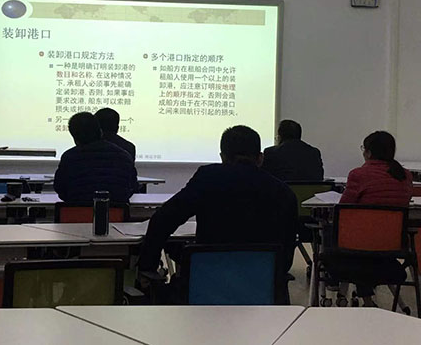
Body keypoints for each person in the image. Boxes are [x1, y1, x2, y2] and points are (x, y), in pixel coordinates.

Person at [138, 125, 298, 302]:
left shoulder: (208, 178)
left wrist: (147, 267)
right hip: (264, 296)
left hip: (205, 291)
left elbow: (163, 220)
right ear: (260, 158)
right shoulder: (284, 193)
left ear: (222, 157)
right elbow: (286, 257)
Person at [333, 131, 413, 307]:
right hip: (392, 246)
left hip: (358, 247)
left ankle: (335, 284)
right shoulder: (405, 175)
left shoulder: (358, 175)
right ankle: (367, 299)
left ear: (368, 152)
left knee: (330, 232)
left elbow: (344, 209)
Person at [54, 112, 137, 203]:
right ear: (100, 132)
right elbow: (132, 187)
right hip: (116, 211)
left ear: (74, 137)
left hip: (77, 211)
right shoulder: (124, 156)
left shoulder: (69, 157)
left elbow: (60, 189)